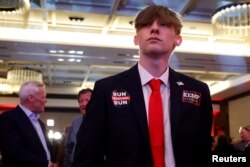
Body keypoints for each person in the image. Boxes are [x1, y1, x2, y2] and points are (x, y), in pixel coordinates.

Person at [73, 5, 213, 167]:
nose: (154, 28)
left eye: (164, 24)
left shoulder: (198, 91)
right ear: (136, 38)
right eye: (146, 25)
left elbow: (203, 153)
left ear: (178, 39)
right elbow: (87, 156)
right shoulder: (106, 89)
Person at [0, 81, 56, 167]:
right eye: (43, 97)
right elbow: (15, 152)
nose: (46, 101)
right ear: (31, 98)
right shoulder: (8, 119)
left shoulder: (40, 123)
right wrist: (46, 164)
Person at [65, 88, 92, 167]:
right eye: (80, 101)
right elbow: (69, 148)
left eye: (87, 100)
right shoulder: (75, 122)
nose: (83, 103)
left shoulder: (105, 121)